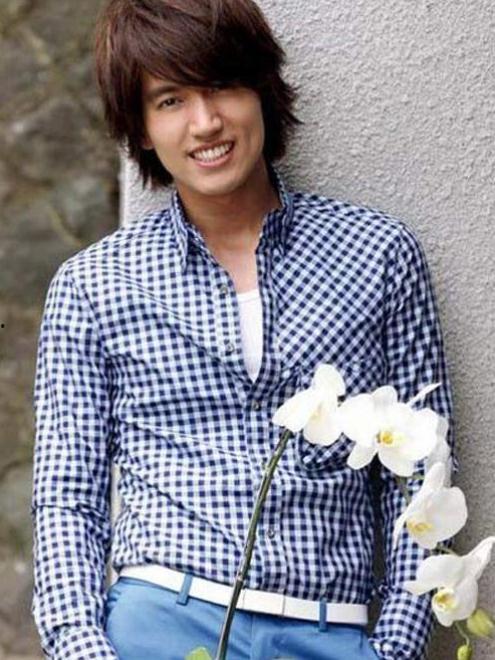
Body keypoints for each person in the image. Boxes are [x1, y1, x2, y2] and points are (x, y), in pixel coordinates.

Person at [30, 0, 458, 658]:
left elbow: (422, 477)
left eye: (222, 86)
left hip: (329, 632)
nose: (205, 123)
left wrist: (393, 649)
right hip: (155, 625)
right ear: (141, 128)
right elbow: (66, 499)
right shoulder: (93, 285)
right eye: (170, 100)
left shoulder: (378, 255)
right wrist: (83, 649)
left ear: (260, 88)